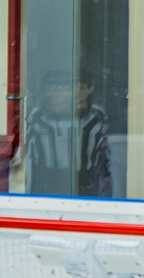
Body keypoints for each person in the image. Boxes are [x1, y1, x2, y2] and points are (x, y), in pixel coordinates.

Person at [24, 68, 112, 197]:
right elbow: (23, 149)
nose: (58, 93)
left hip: (84, 181)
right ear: (43, 91)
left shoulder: (95, 115)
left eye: (64, 87)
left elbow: (103, 148)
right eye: (51, 87)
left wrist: (106, 174)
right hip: (44, 183)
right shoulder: (35, 116)